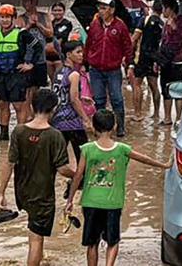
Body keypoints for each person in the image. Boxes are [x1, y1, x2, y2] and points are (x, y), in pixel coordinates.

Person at [65, 109, 170, 266]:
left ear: (93, 127)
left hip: (90, 203)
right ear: (114, 126)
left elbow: (78, 176)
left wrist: (70, 200)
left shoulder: (87, 149)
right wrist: (164, 165)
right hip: (112, 204)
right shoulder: (122, 149)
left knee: (92, 243)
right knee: (112, 242)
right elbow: (145, 159)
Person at [0, 91, 75, 266]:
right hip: (43, 196)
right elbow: (62, 169)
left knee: (33, 233)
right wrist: (78, 175)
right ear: (53, 110)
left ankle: (40, 260)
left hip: (22, 193)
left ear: (32, 106)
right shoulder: (55, 135)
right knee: (36, 240)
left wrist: (1, 193)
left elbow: (9, 163)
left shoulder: (19, 131)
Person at [85, 0, 133, 137]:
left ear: (112, 10)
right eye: (99, 8)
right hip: (95, 69)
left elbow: (128, 47)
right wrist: (84, 63)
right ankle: (101, 128)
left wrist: (130, 64)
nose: (101, 11)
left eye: (104, 8)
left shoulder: (120, 26)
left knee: (117, 99)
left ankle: (120, 127)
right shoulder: (94, 25)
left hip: (113, 70)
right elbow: (88, 45)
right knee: (99, 100)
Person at [51, 40, 94, 177]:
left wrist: (82, 99)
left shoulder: (58, 72)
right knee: (83, 157)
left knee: (57, 160)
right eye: (78, 52)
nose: (82, 55)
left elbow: (61, 95)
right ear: (69, 54)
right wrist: (86, 119)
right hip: (73, 122)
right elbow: (73, 99)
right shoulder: (74, 74)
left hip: (58, 121)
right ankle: (80, 182)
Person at [0, 4, 35, 140]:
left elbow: (37, 46)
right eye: (2, 17)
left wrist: (29, 63)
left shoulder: (21, 33)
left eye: (7, 17)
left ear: (13, 18)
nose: (4, 20)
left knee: (18, 106)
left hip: (16, 75)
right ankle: (3, 134)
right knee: (3, 104)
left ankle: (20, 134)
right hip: (0, 75)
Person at [158, 0, 182, 126]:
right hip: (165, 60)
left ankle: (178, 119)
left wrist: (174, 27)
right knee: (165, 89)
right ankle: (167, 118)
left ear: (170, 9)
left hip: (177, 61)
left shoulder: (181, 20)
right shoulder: (166, 23)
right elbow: (163, 42)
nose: (163, 11)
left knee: (177, 89)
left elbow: (181, 38)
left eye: (164, 8)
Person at [130, 0, 163, 124]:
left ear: (152, 8)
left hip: (142, 57)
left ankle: (138, 114)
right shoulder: (162, 24)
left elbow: (134, 38)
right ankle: (156, 114)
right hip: (154, 58)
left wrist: (130, 54)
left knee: (137, 84)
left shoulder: (144, 20)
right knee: (154, 85)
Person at [48, 1, 72, 82]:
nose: (57, 12)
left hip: (60, 55)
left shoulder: (67, 23)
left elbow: (59, 38)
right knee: (52, 80)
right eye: (55, 10)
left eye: (59, 10)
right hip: (48, 56)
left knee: (59, 79)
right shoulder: (50, 23)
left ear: (64, 11)